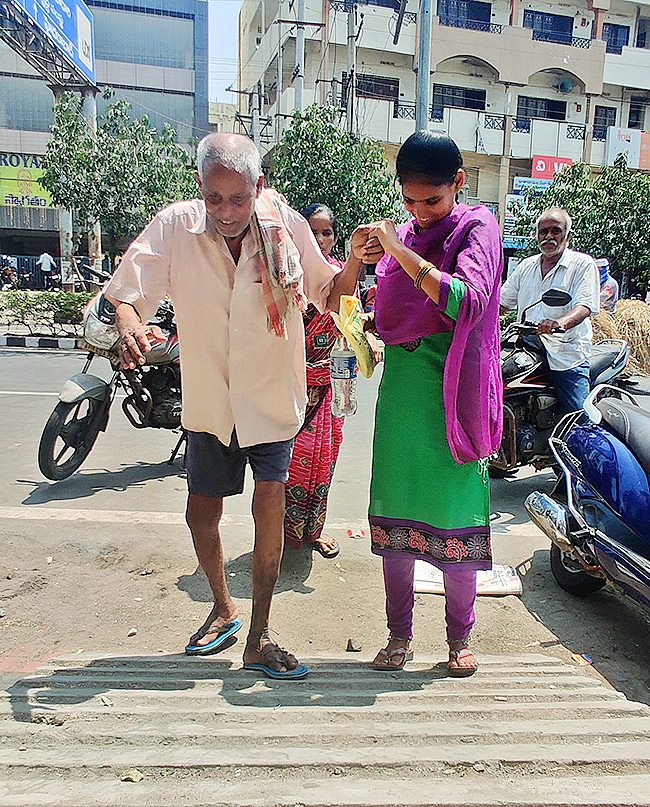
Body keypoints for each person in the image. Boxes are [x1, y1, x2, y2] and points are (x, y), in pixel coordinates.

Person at [104, 133, 381, 678]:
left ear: (259, 187)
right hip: (210, 398)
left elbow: (331, 295)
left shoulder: (288, 227)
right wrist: (130, 320)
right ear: (201, 190)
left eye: (237, 198)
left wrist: (351, 261)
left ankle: (259, 636)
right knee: (200, 512)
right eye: (214, 198)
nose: (225, 212)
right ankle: (222, 606)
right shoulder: (176, 227)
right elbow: (126, 290)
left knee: (267, 513)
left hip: (271, 395)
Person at [364, 131, 503, 676]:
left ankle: (458, 639)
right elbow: (378, 311)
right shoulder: (401, 236)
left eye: (432, 201)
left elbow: (467, 297)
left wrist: (398, 249)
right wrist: (360, 261)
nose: (419, 214)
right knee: (397, 518)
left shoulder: (477, 227)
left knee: (454, 519)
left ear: (459, 184)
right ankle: (399, 637)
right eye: (410, 200)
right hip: (401, 393)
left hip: (455, 395)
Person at [283, 204, 344, 559]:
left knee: (324, 461)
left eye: (327, 232)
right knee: (286, 464)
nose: (320, 240)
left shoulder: (340, 276)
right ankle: (278, 533)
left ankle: (314, 531)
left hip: (328, 385)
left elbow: (350, 319)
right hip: (288, 384)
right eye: (313, 231)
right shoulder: (285, 275)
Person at [500, 209, 600, 414]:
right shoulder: (526, 266)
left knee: (578, 416)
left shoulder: (582, 264)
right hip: (527, 346)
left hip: (565, 351)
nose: (548, 236)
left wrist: (559, 324)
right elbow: (501, 304)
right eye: (543, 231)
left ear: (567, 236)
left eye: (556, 231)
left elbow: (584, 306)